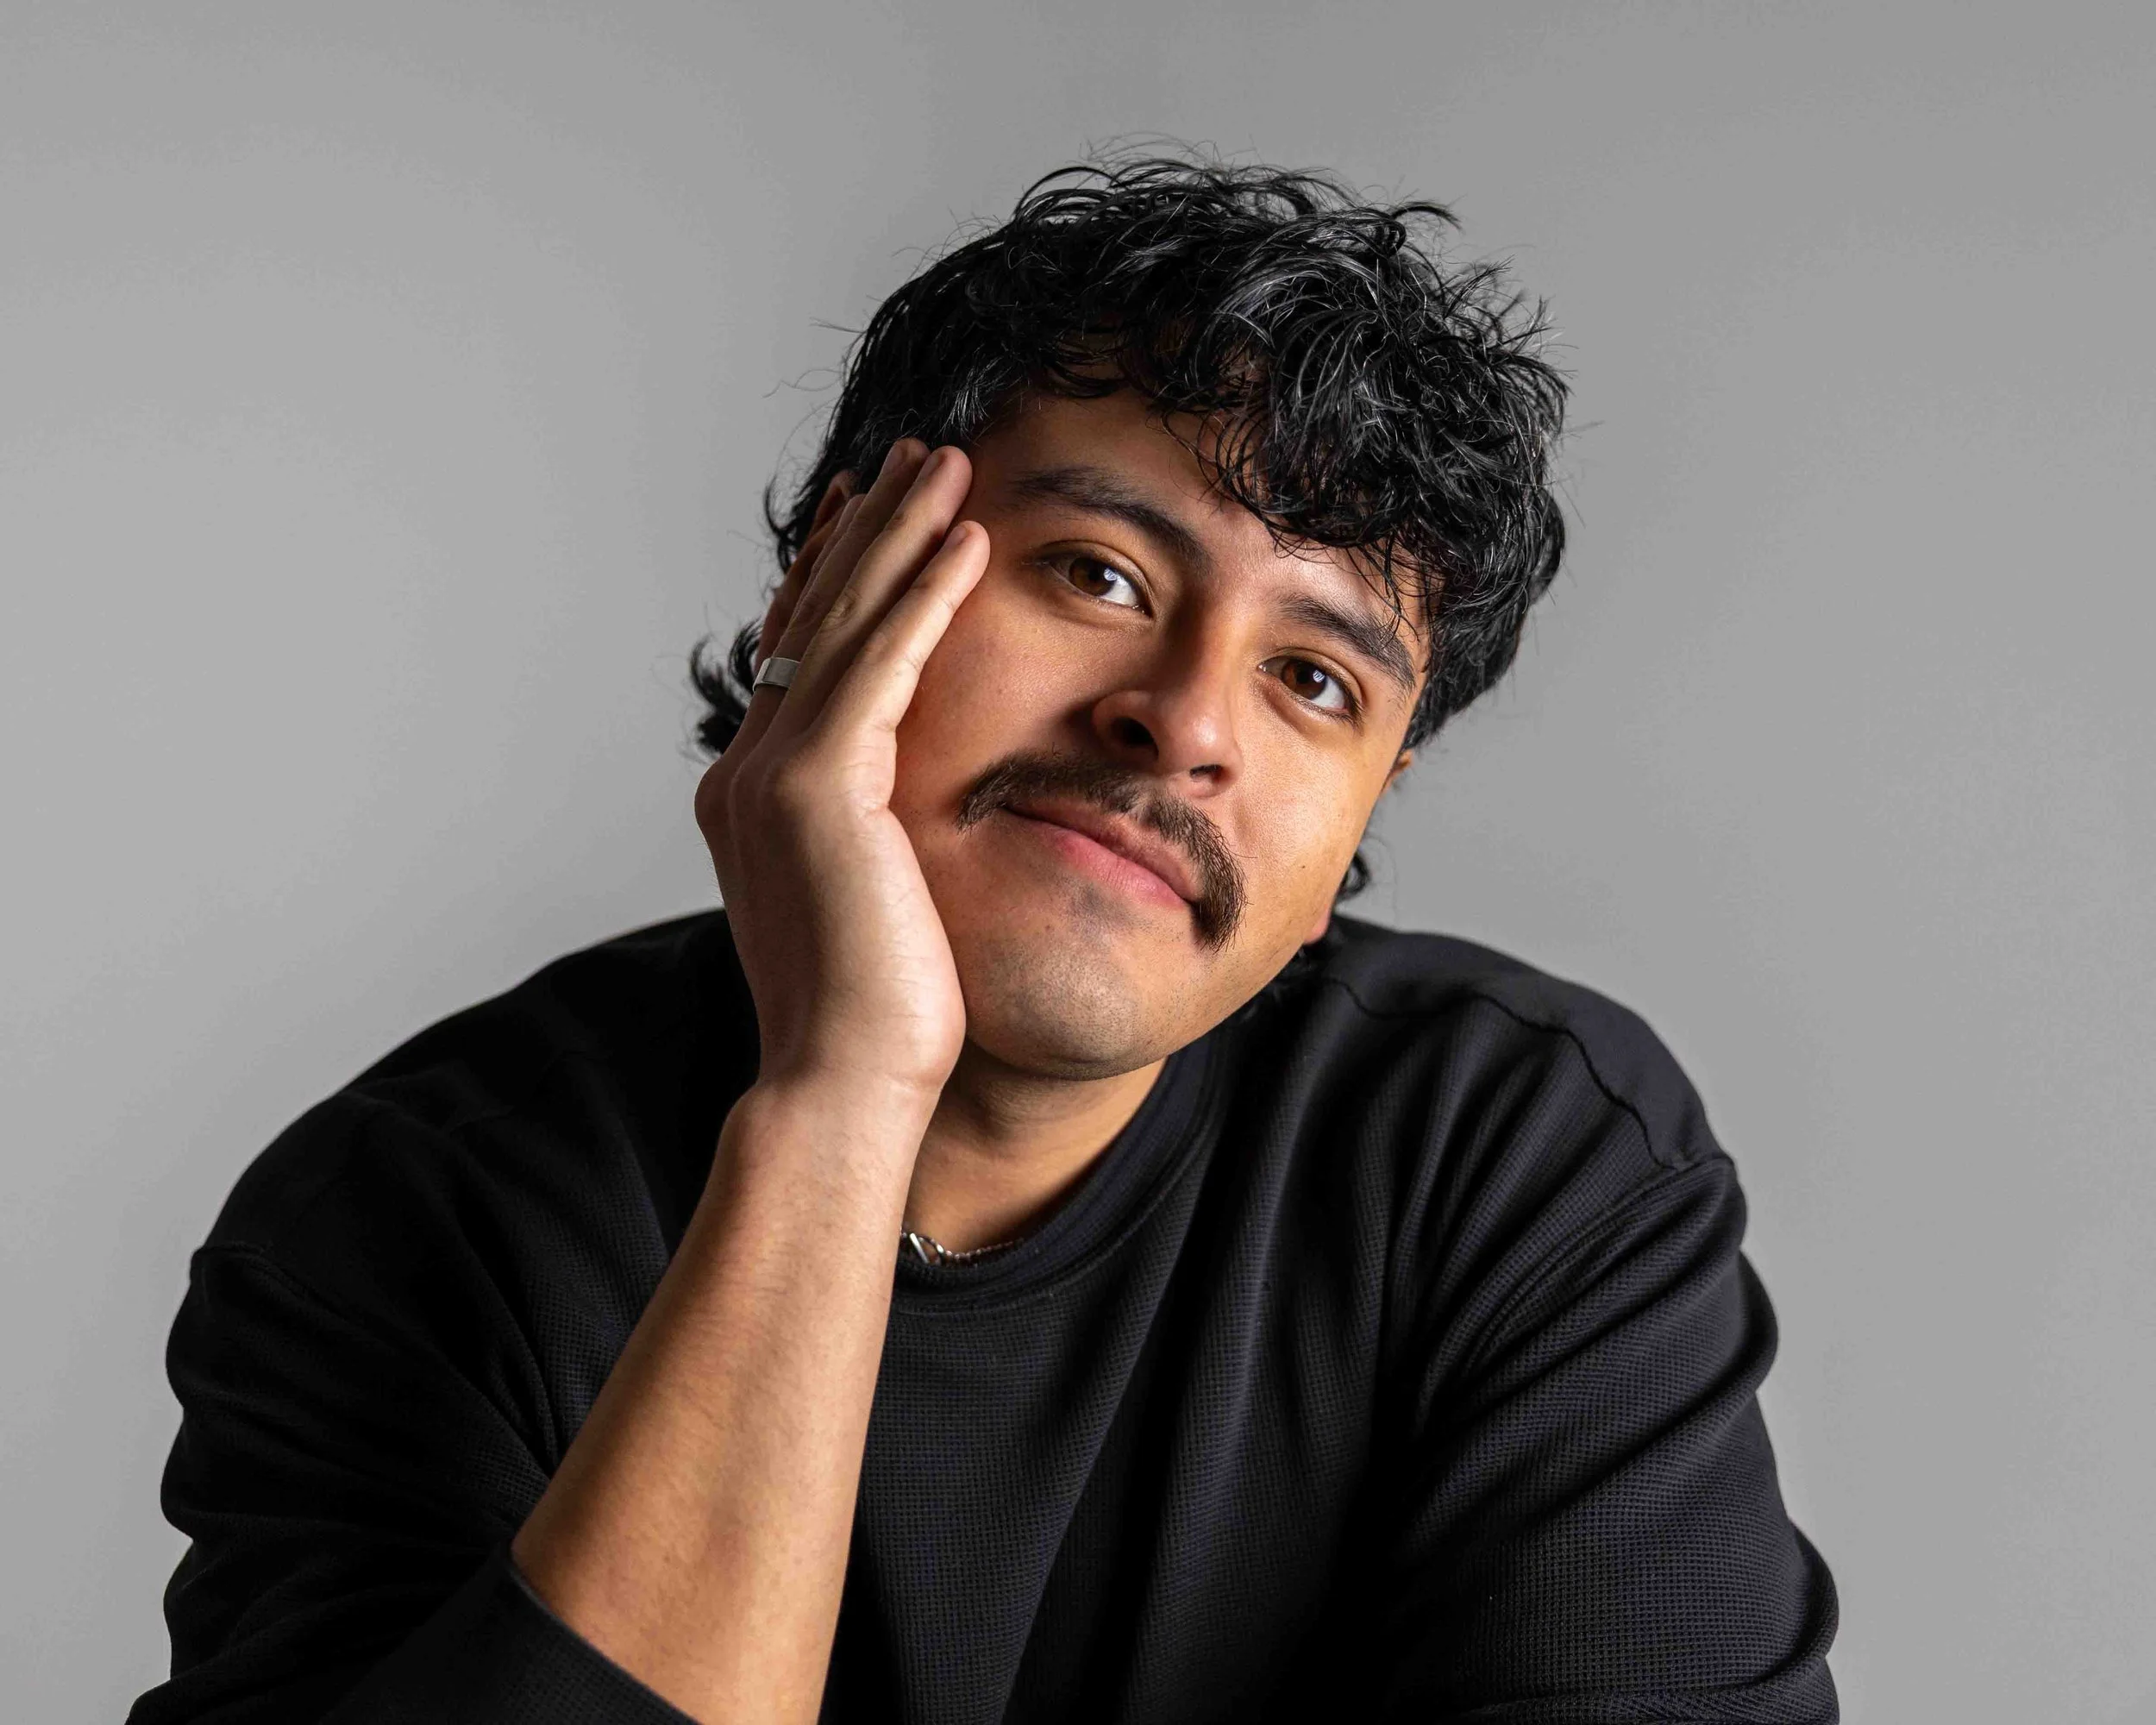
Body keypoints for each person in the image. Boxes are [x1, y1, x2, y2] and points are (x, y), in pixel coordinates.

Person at [128, 154, 1839, 1724]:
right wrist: (838, 1098)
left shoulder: (1513, 1164)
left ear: (1354, 829)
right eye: (1098, 574)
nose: (1182, 726)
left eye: (1311, 681)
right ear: (834, 586)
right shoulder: (416, 1211)